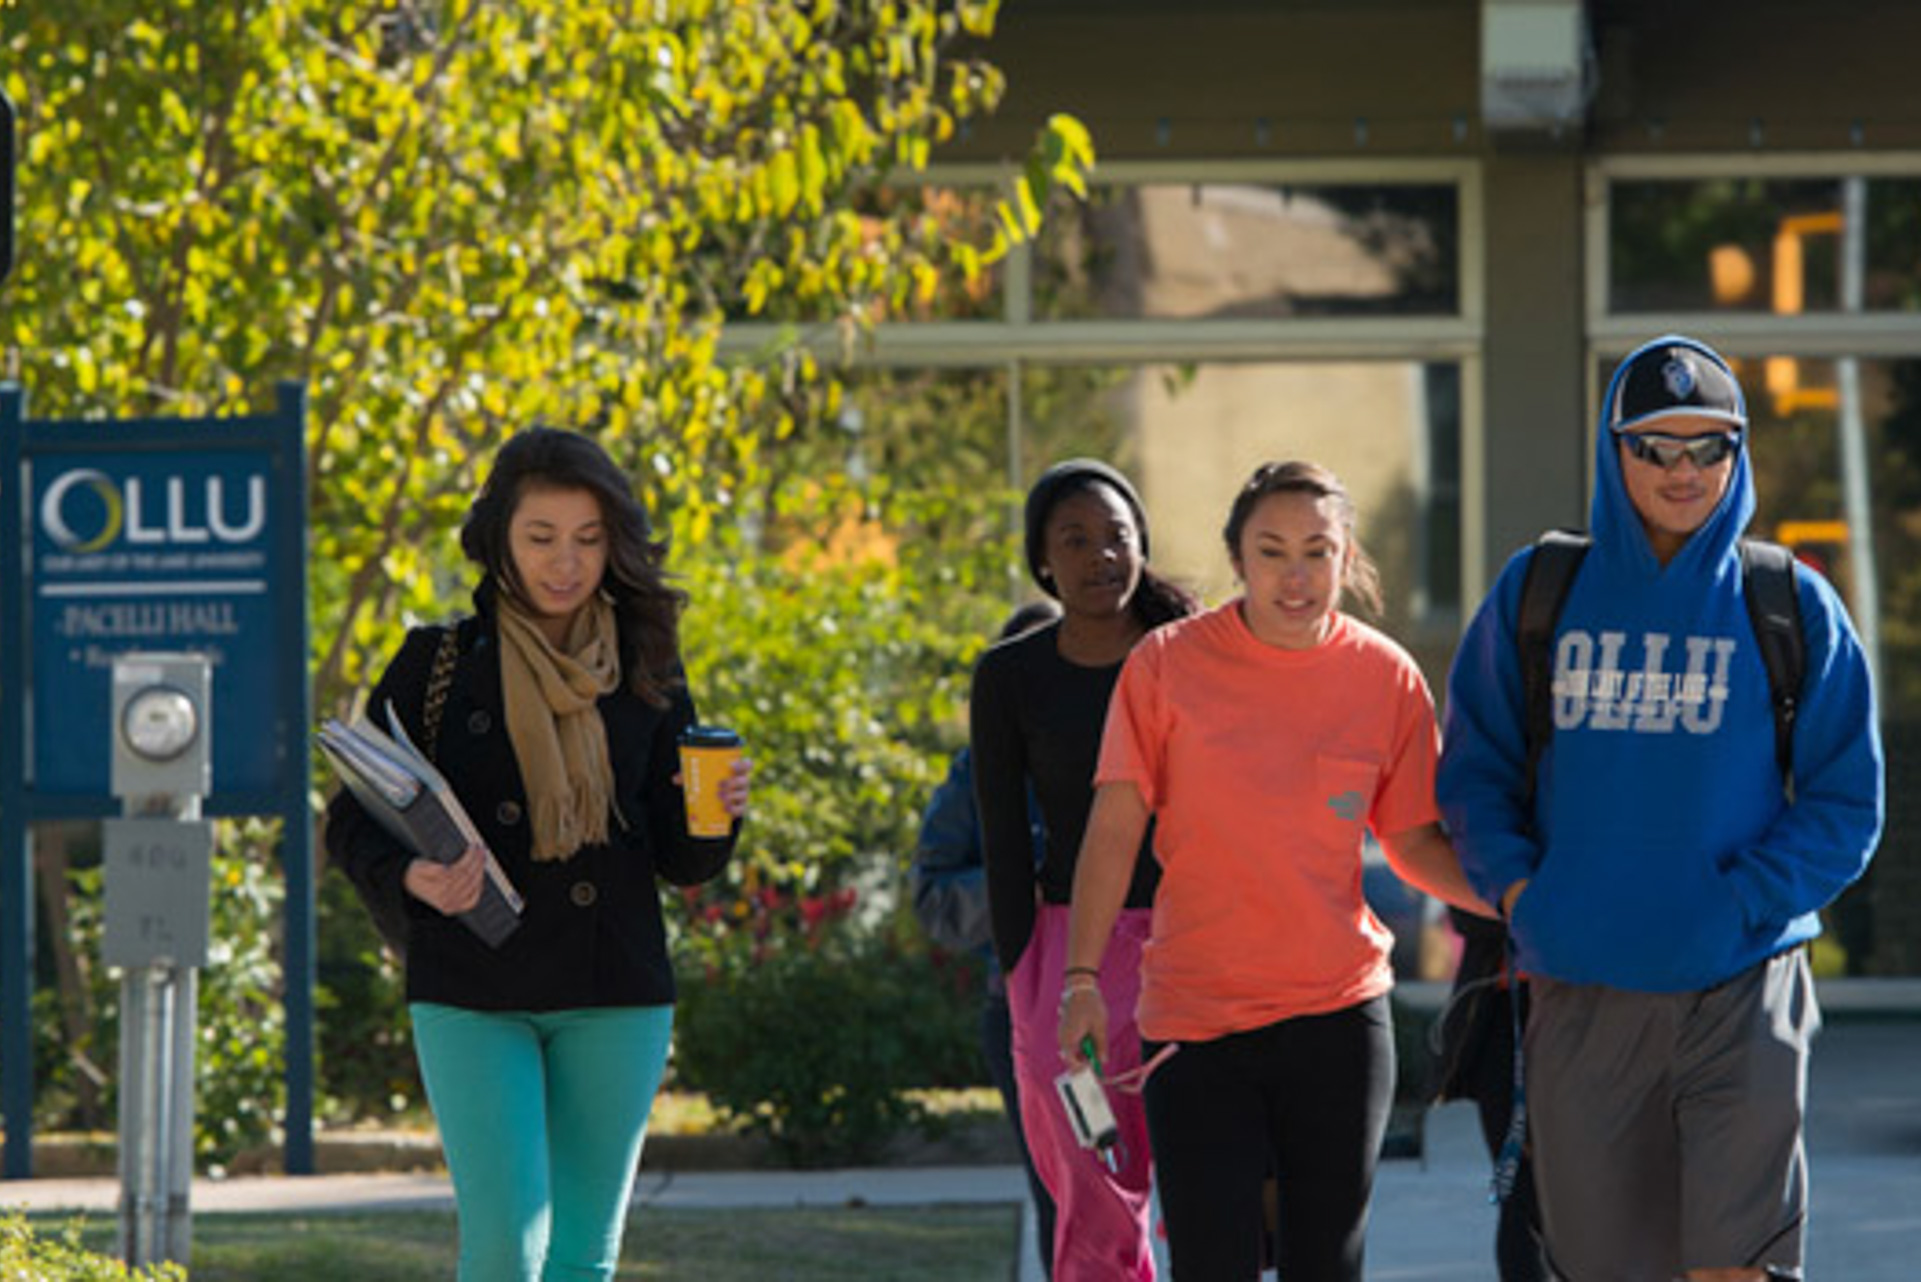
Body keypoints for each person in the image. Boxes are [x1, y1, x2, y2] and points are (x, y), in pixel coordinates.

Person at [1437, 335, 1884, 1281]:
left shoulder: (1788, 602)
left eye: (1709, 446)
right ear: (1614, 451)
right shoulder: (1538, 592)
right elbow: (1474, 771)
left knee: (1738, 1266)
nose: (1684, 472)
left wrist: (1739, 902)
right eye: (1656, 447)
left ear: (1739, 452)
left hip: (1741, 982)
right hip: (1583, 989)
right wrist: (1525, 896)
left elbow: (1846, 802)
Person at [325, 426, 751, 1281]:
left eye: (589, 540)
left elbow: (680, 859)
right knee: (504, 1248)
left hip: (615, 989)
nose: (567, 563)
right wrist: (415, 877)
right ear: (499, 542)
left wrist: (718, 817)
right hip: (473, 983)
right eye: (542, 538)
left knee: (582, 1258)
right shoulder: (435, 663)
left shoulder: (647, 665)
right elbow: (349, 819)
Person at [1056, 459, 1492, 1282]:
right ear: (1237, 560)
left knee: (1324, 1265)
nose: (1295, 576)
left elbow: (1411, 844)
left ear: (1347, 556)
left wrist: (1527, 905)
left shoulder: (1386, 677)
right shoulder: (1164, 665)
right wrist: (1080, 976)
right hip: (1194, 1024)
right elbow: (1112, 831)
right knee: (1211, 1263)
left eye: (1316, 552)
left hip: (1337, 1021)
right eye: (1271, 552)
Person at [970, 458, 1197, 1282]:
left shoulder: (1189, 654)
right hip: (1074, 958)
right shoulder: (1008, 677)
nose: (1100, 555)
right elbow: (998, 835)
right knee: (1091, 1179)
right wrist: (1024, 974)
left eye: (1116, 537)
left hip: (1193, 943)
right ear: (1042, 560)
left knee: (1211, 1190)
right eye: (1076, 540)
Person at [912, 599, 1063, 1276]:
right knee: (1063, 1196)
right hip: (1023, 1015)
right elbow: (932, 899)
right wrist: (1012, 891)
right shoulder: (978, 772)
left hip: (1144, 1008)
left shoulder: (1132, 750)